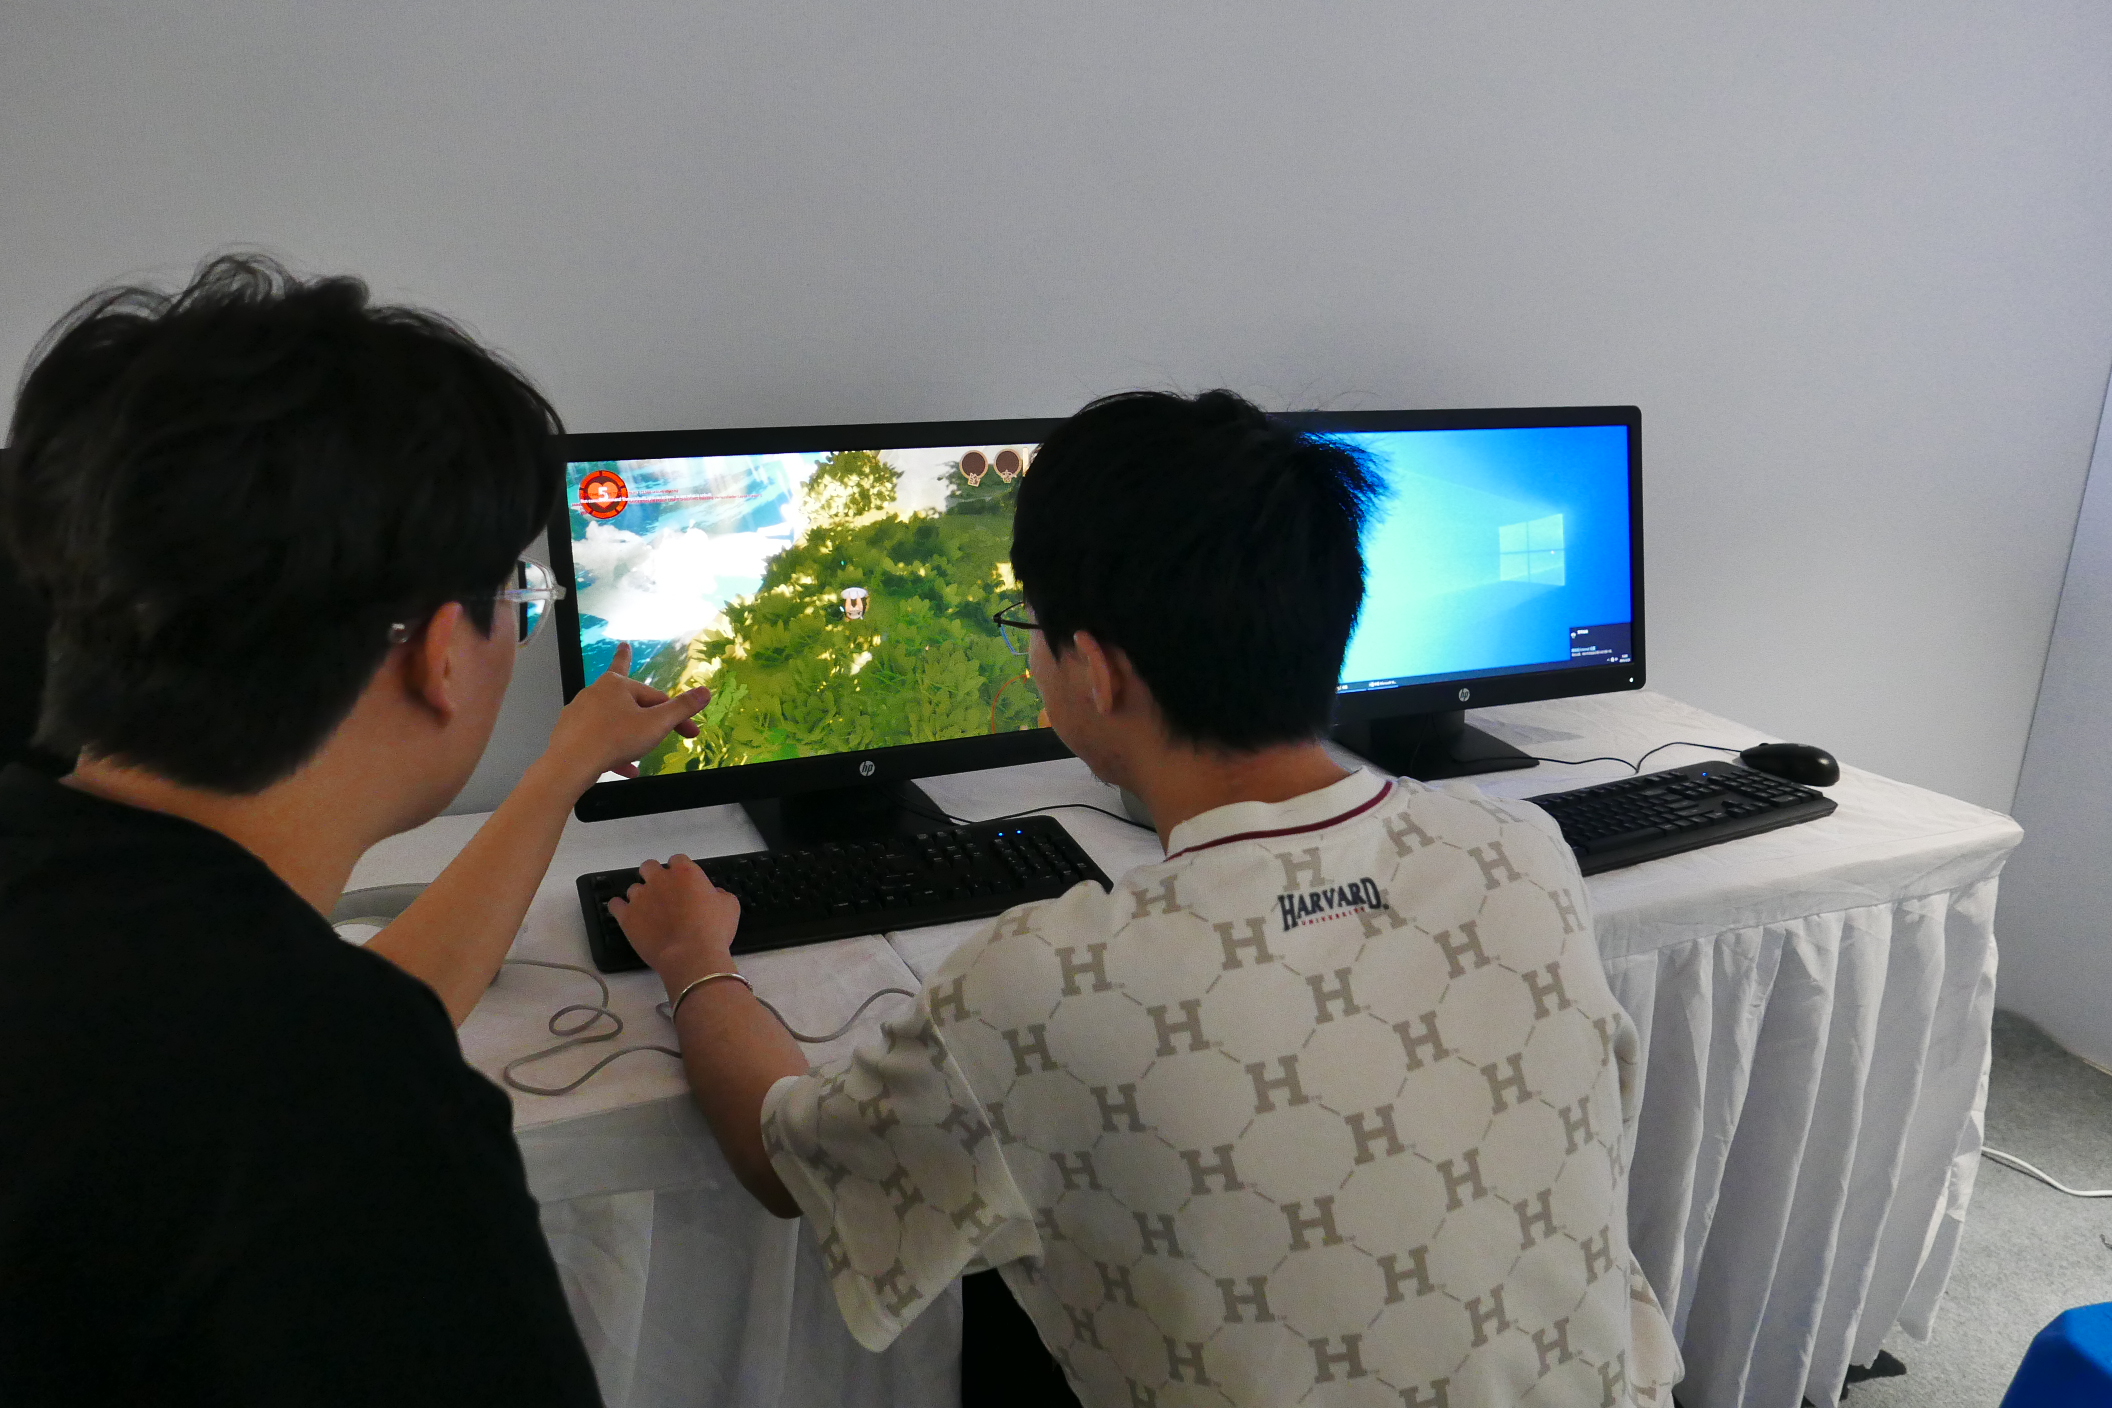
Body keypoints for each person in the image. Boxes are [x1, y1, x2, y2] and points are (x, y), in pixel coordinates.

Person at [614, 389, 1684, 1407]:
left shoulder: (1040, 987)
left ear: (1098, 671)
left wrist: (694, 958)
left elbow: (786, 1158)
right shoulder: (1523, 854)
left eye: (1028, 625)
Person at [0, 255, 712, 1406]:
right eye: (518, 600)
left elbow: (350, 1009)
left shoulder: (97, 915)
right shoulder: (350, 1125)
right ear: (440, 654)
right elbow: (330, 1057)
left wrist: (560, 769)